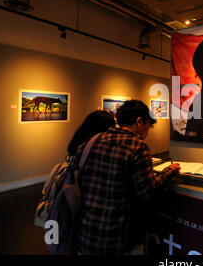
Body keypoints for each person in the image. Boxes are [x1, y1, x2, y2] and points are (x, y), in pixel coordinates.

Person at [72, 100, 181, 255]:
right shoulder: (138, 146)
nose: (148, 132)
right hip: (115, 237)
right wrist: (170, 171)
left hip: (85, 232)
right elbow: (146, 191)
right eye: (148, 126)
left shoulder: (93, 140)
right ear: (139, 121)